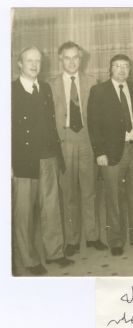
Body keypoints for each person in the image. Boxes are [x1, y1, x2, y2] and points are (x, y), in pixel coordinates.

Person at [12, 46, 74, 275]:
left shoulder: (45, 88)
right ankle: (29, 260)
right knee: (25, 213)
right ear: (20, 63)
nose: (34, 65)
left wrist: (57, 157)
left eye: (37, 61)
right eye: (29, 60)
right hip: (23, 159)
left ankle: (55, 252)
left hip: (48, 156)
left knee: (51, 208)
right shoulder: (10, 90)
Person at [87, 54, 133, 256]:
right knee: (113, 198)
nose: (121, 70)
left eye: (125, 66)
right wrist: (99, 152)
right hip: (112, 153)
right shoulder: (99, 91)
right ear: (110, 69)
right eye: (117, 66)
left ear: (130, 69)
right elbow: (93, 124)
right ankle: (116, 241)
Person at [48, 41, 107, 258]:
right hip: (64, 142)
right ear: (60, 59)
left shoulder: (93, 82)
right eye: (67, 58)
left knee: (90, 191)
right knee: (69, 193)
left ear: (80, 59)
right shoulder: (51, 85)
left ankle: (93, 237)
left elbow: (98, 116)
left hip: (87, 140)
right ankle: (72, 240)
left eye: (76, 58)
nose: (72, 62)